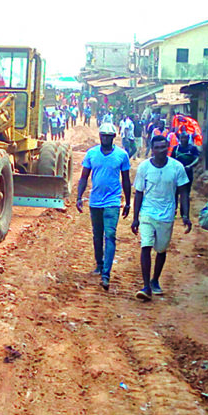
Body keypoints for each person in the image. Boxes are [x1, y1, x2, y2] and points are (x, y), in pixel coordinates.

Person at [131, 135, 191, 301]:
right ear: (152, 149)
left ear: (168, 148)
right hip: (148, 213)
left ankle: (155, 279)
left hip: (167, 214)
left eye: (163, 147)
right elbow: (139, 193)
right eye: (157, 147)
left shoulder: (177, 167)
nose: (160, 151)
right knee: (146, 245)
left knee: (161, 250)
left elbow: (184, 192)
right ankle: (146, 286)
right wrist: (135, 218)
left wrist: (185, 215)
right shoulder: (144, 168)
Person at [76, 122, 132, 292]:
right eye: (103, 135)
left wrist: (128, 202)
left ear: (114, 137)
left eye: (109, 136)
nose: (105, 138)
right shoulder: (91, 154)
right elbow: (84, 177)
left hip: (113, 201)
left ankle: (106, 274)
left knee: (111, 235)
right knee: (97, 235)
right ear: (99, 136)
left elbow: (126, 180)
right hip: (95, 201)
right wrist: (79, 196)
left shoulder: (122, 155)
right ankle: (99, 264)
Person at [171, 132, 201, 199]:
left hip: (188, 173)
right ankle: (175, 208)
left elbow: (197, 159)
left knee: (186, 192)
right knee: (175, 192)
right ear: (179, 139)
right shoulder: (176, 149)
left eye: (185, 137)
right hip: (177, 173)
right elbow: (171, 160)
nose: (184, 139)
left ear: (188, 138)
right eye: (182, 138)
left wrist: (190, 166)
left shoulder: (192, 148)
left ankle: (184, 208)